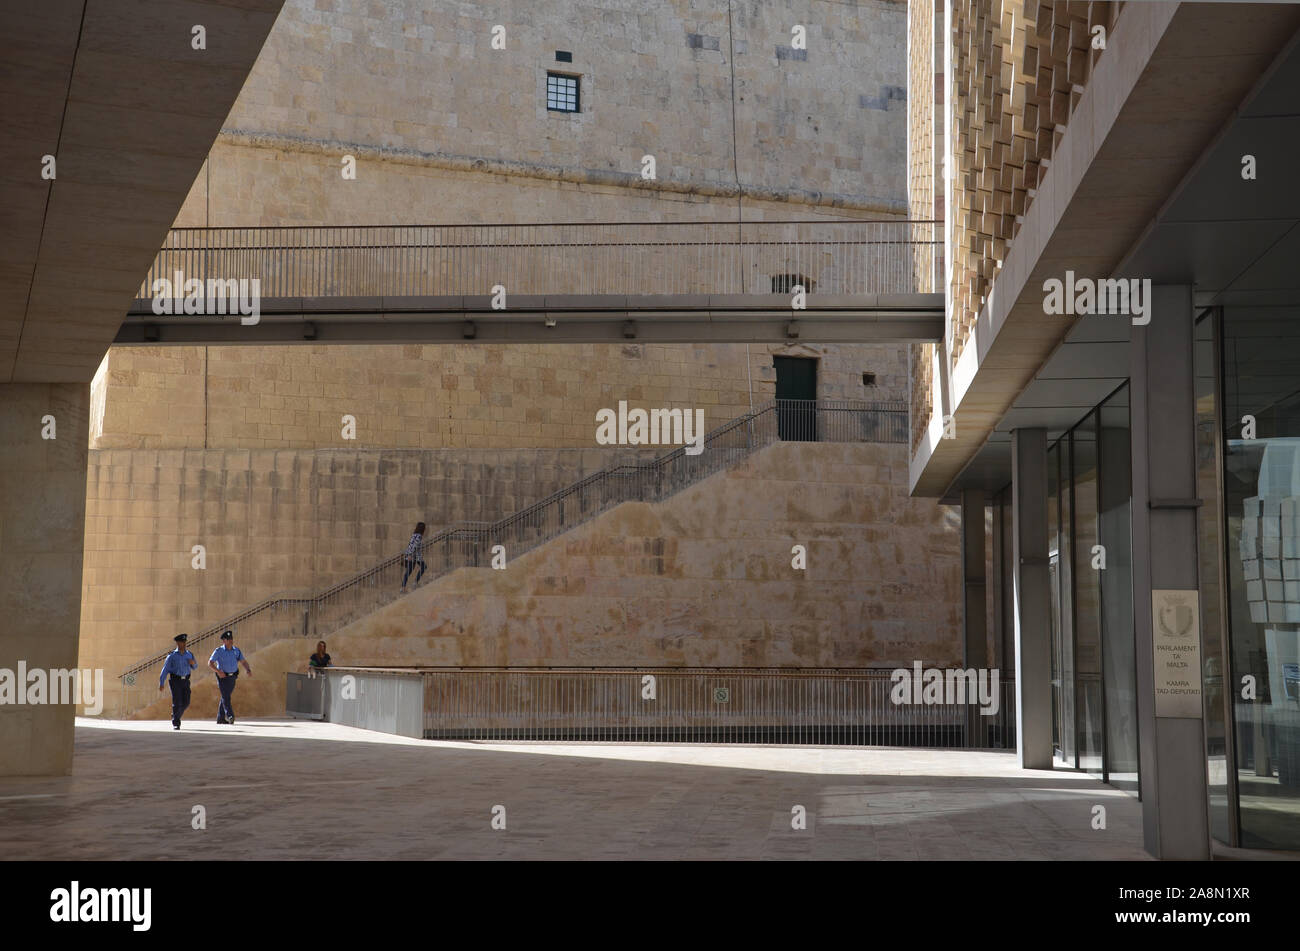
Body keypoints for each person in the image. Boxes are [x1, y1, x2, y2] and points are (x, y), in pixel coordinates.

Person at [209, 630, 252, 725]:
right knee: (226, 696)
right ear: (224, 641)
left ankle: (220, 718)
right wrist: (218, 671)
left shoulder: (236, 650)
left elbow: (243, 662)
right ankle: (230, 715)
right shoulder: (219, 651)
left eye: (231, 639)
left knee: (225, 696)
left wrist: (248, 669)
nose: (230, 641)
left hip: (233, 677)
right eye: (228, 639)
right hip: (222, 677)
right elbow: (210, 663)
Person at [158, 633, 196, 730]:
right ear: (178, 643)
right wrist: (162, 683)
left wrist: (193, 663)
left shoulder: (189, 654)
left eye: (185, 642)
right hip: (175, 681)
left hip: (186, 680)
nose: (184, 644)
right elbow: (165, 669)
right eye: (182, 642)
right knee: (177, 701)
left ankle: (176, 715)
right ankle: (176, 722)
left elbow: (195, 667)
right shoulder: (172, 656)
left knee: (186, 702)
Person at [400, 521, 427, 591]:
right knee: (423, 567)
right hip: (415, 556)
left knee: (408, 572)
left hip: (411, 554)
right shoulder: (419, 536)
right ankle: (415, 582)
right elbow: (415, 546)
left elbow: (410, 545)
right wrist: (410, 555)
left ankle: (403, 587)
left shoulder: (414, 535)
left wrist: (408, 554)